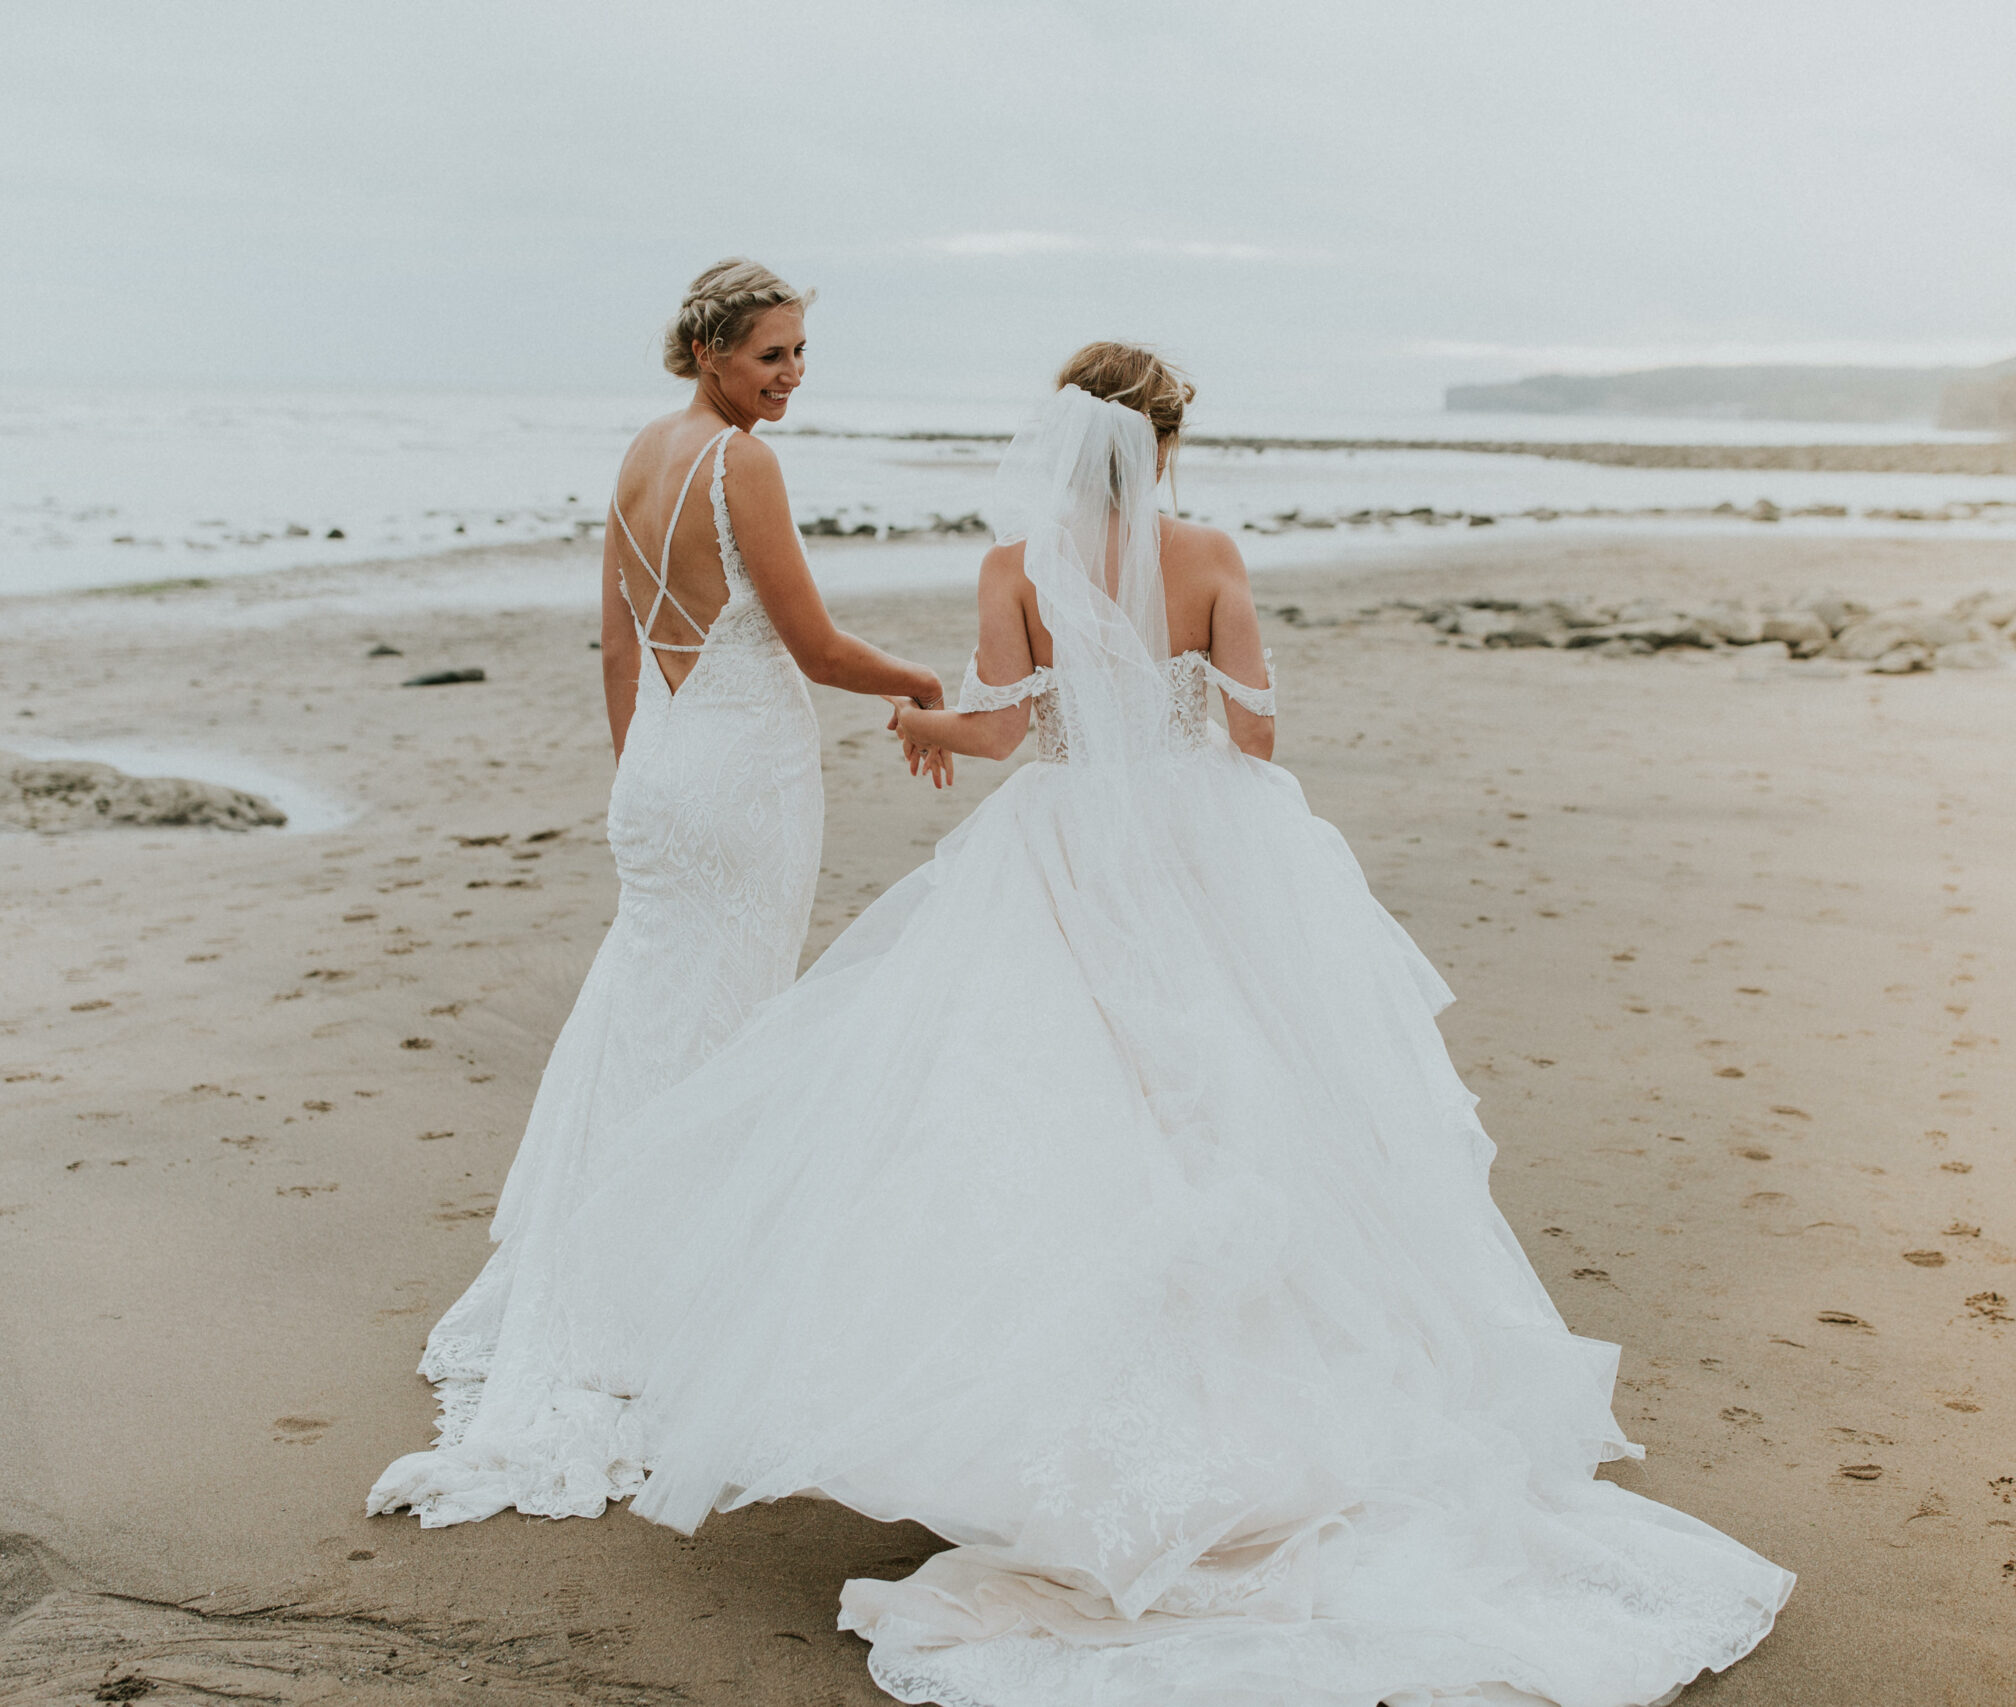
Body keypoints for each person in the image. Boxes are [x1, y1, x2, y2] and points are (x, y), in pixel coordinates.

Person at [374, 345, 1792, 1707]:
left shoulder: (1017, 567)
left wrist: (934, 726)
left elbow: (1010, 722)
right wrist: (1170, 704)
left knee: (1046, 1118)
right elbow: (1255, 736)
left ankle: (1058, 1438)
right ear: (1166, 442)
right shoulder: (1216, 557)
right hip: (1205, 858)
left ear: (1065, 442)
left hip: (1055, 858)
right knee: (1234, 1110)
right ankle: (1278, 1408)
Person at [399, 257, 945, 1466]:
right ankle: (676, 1299)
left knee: (648, 1016)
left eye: (802, 353)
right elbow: (811, 646)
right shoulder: (740, 462)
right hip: (740, 778)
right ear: (710, 353)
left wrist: (639, 768)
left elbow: (619, 642)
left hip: (661, 768)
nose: (793, 375)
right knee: (728, 1024)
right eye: (772, 355)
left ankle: (615, 1267)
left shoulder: (641, 452)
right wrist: (918, 680)